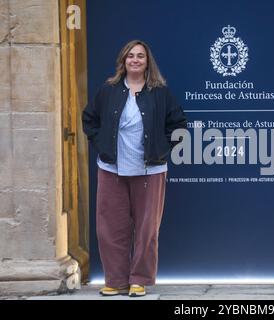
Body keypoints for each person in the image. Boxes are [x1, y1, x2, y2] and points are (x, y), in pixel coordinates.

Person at [82, 40, 187, 297]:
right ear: (123, 61)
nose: (135, 60)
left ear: (147, 61)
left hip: (150, 172)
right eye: (131, 56)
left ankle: (139, 279)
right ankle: (116, 280)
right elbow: (90, 119)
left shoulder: (160, 92)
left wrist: (162, 151)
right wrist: (103, 146)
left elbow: (178, 124)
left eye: (141, 56)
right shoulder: (108, 91)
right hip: (111, 169)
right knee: (110, 228)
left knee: (146, 229)